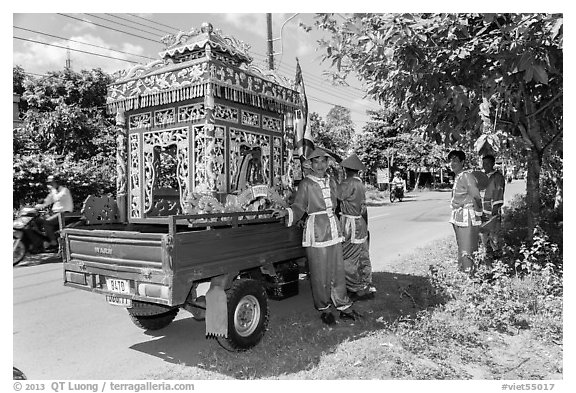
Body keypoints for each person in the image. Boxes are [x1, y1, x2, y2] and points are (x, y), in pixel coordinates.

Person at [273, 148, 361, 325]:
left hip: (334, 228)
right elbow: (299, 206)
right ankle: (324, 308)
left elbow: (343, 195)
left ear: (327, 163)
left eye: (323, 161)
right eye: (316, 161)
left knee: (337, 269)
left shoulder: (332, 180)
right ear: (311, 165)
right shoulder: (306, 184)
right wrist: (286, 212)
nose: (320, 165)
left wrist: (355, 183)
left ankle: (343, 305)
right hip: (317, 230)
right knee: (320, 271)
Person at [337, 153, 376, 300]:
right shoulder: (359, 183)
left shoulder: (349, 183)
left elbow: (337, 194)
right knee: (362, 255)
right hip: (360, 223)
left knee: (347, 257)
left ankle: (355, 288)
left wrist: (330, 179)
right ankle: (365, 284)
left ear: (346, 169)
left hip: (351, 224)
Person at [447, 150, 483, 273]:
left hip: (467, 215)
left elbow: (476, 196)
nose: (452, 163)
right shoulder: (458, 176)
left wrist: (480, 214)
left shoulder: (466, 176)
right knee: (461, 246)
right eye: (451, 160)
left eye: (455, 161)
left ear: (462, 162)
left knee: (468, 247)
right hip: (458, 215)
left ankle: (470, 275)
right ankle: (462, 272)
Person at [35, 174, 73, 248]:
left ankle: (53, 242)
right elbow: (47, 201)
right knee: (38, 220)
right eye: (49, 183)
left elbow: (57, 198)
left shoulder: (64, 190)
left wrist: (53, 191)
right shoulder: (54, 191)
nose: (50, 185)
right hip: (56, 213)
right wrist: (35, 207)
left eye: (51, 183)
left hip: (64, 214)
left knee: (47, 223)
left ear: (57, 182)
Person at [480, 154, 506, 258]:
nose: (485, 165)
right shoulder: (482, 177)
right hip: (482, 209)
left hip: (492, 209)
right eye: (483, 163)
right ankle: (487, 254)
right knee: (483, 233)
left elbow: (499, 193)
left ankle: (497, 256)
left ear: (493, 164)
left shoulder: (497, 177)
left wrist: (495, 211)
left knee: (494, 232)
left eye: (487, 163)